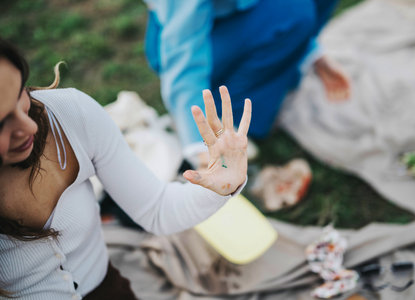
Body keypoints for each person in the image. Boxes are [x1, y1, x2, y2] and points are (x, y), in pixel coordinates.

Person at [0, 38, 251, 299]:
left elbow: (156, 210)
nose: (29, 127)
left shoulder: (71, 113)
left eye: (20, 94)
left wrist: (221, 187)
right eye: (2, 122)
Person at [143, 0, 351, 167]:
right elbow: (182, 57)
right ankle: (224, 117)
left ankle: (264, 85)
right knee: (294, 12)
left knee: (299, 12)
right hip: (180, 39)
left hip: (229, 16)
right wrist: (199, 143)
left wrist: (312, 53)